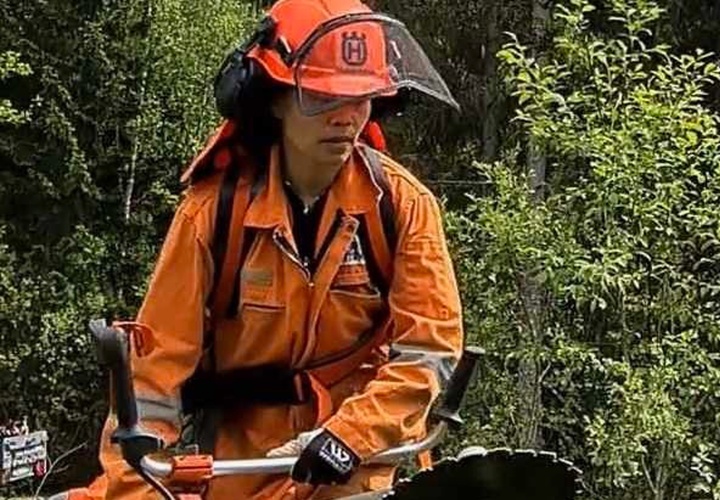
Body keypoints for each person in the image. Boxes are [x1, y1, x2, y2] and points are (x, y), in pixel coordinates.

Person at [61, 0, 463, 497]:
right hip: (239, 465)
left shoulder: (402, 207)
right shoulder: (212, 215)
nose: (345, 119)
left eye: (360, 98)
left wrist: (350, 436)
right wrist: (143, 479)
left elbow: (427, 351)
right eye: (323, 97)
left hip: (360, 465)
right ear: (275, 97)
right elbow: (154, 375)